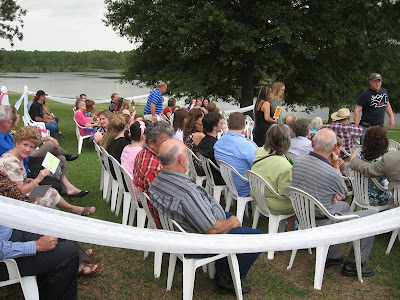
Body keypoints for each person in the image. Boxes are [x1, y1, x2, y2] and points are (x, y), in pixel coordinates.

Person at [149, 138, 261, 295]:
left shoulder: (158, 180)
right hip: (196, 240)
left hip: (180, 231)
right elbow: (212, 229)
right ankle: (227, 278)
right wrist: (230, 223)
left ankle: (224, 264)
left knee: (230, 218)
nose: (188, 157)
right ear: (181, 159)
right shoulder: (186, 193)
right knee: (257, 238)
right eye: (187, 154)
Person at [291, 128, 376, 277]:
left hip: (304, 215)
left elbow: (338, 196)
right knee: (372, 216)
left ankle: (332, 255)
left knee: (344, 207)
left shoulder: (298, 160)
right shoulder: (331, 172)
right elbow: (343, 193)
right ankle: (353, 264)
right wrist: (336, 164)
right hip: (323, 219)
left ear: (312, 143)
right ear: (335, 147)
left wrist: (331, 194)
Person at [0, 126, 96, 216]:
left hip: (14, 196)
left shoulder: (14, 156)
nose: (27, 149)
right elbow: (19, 192)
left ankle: (72, 209)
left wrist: (29, 180)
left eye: (31, 147)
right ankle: (66, 212)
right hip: (15, 202)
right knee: (49, 198)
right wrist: (37, 179)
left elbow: (15, 181)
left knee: (49, 190)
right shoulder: (12, 164)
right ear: (16, 143)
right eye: (25, 145)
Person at [1, 106, 85, 199]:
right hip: (27, 167)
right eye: (12, 119)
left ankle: (67, 189)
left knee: (61, 159)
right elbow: (19, 191)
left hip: (26, 166)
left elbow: (26, 144)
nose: (15, 119)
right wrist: (37, 180)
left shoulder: (7, 134)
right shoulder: (11, 158)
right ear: (3, 122)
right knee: (50, 146)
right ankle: (61, 197)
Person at [0, 225, 79, 299]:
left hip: (7, 233)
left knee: (55, 234)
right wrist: (36, 245)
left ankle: (46, 290)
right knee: (68, 253)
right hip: (4, 259)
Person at [252, 124, 296, 230]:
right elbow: (285, 193)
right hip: (273, 203)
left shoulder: (259, 151)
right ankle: (291, 235)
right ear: (287, 141)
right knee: (297, 204)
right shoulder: (285, 166)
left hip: (258, 196)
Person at [133, 121, 174, 228]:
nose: (170, 146)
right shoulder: (156, 168)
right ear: (151, 143)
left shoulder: (142, 153)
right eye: (165, 142)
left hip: (153, 208)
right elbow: (169, 200)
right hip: (164, 219)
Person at [214, 112, 257, 197]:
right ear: (245, 126)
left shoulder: (218, 143)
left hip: (229, 184)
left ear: (228, 124)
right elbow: (258, 166)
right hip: (246, 187)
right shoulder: (246, 145)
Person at [351, 126, 392, 206]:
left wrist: (357, 150)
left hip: (359, 193)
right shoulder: (382, 161)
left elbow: (352, 159)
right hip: (376, 198)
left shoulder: (359, 155)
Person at [196, 112, 225, 185]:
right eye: (221, 123)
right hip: (217, 177)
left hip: (209, 174)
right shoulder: (216, 145)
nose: (222, 125)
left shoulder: (203, 141)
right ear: (214, 127)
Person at [183, 108, 205, 176]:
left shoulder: (188, 132)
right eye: (201, 117)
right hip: (200, 167)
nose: (204, 119)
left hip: (191, 165)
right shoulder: (199, 135)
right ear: (195, 119)